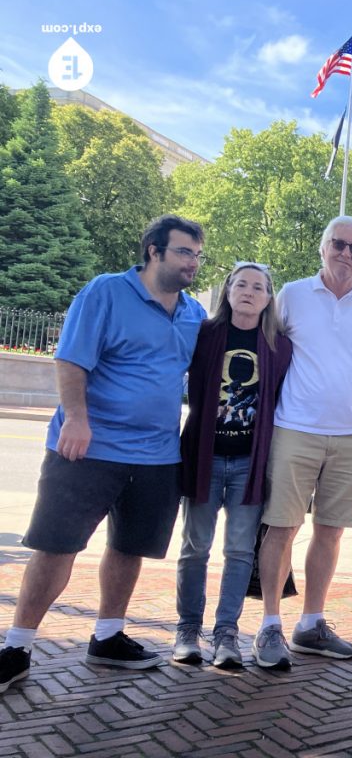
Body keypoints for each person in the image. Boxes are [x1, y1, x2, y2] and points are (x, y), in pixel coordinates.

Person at [0, 215, 206, 695]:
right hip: (89, 447)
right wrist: (76, 417)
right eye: (183, 252)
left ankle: (108, 636)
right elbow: (71, 359)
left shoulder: (193, 313)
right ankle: (17, 646)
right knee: (57, 545)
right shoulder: (105, 293)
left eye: (197, 254)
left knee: (130, 547)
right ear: (154, 250)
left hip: (157, 455)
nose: (193, 262)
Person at [252, 215, 352, 670]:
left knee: (330, 532)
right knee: (282, 527)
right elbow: (267, 352)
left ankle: (311, 623)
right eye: (339, 244)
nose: (346, 254)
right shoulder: (293, 294)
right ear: (323, 247)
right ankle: (270, 624)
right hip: (295, 427)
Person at [173, 262, 292, 669]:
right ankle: (188, 630)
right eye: (240, 284)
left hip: (248, 463)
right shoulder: (205, 335)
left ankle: (227, 634)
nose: (248, 291)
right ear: (227, 291)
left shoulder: (279, 344)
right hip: (205, 457)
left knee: (240, 551)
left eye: (258, 287)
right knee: (194, 549)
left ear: (268, 297)